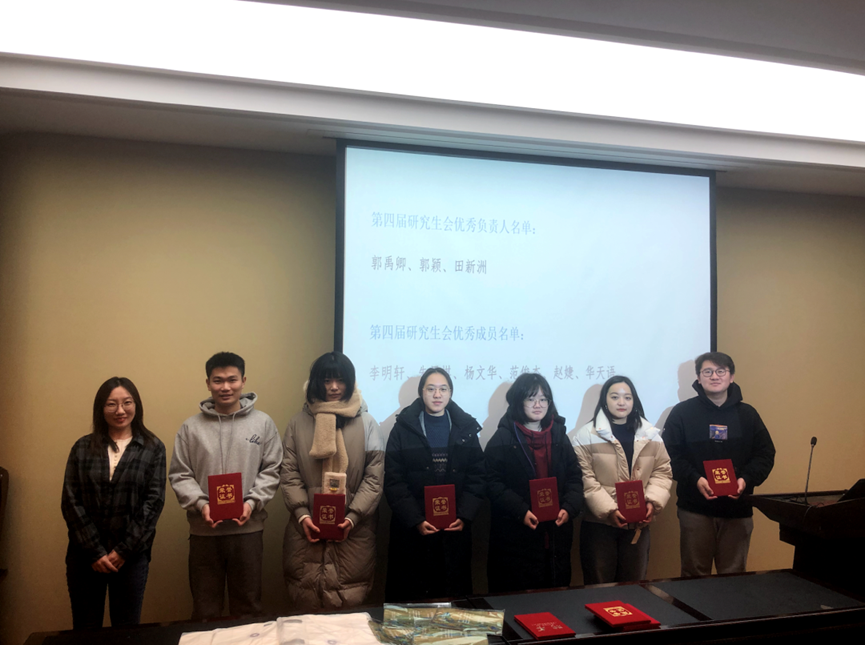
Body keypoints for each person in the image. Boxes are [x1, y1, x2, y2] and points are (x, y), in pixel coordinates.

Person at [168, 352, 282, 619]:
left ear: (244, 381)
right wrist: (202, 505)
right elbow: (180, 474)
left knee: (248, 609)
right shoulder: (190, 428)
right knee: (205, 610)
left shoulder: (263, 423)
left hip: (248, 531)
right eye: (218, 380)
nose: (225, 387)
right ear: (208, 383)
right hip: (204, 532)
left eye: (232, 380)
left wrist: (251, 503)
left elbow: (272, 469)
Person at [280, 351, 384, 612]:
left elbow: (374, 478)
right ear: (316, 382)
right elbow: (289, 473)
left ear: (351, 382)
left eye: (340, 380)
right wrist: (303, 515)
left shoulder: (368, 424)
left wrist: (353, 517)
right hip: (306, 529)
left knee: (348, 610)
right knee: (306, 609)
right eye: (327, 380)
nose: (334, 387)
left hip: (354, 531)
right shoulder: (297, 423)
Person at [62, 377, 166, 629]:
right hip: (85, 557)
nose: (120, 410)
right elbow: (70, 500)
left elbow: (153, 503)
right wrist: (95, 552)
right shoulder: (82, 447)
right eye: (111, 404)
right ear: (101, 408)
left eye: (127, 402)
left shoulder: (152, 447)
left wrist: (123, 551)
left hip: (131, 558)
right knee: (86, 630)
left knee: (126, 630)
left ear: (136, 405)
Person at [663, 351, 775, 577]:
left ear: (731, 377)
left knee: (734, 576)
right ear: (698, 377)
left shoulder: (748, 414)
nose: (714, 376)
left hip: (737, 510)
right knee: (694, 576)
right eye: (708, 371)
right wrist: (695, 479)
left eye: (721, 371)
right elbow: (669, 455)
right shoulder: (682, 413)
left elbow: (765, 454)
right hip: (695, 509)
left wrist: (745, 480)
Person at [384, 367, 485, 601]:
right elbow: (394, 480)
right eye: (431, 389)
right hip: (413, 531)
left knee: (452, 597)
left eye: (443, 389)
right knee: (414, 600)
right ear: (421, 392)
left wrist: (464, 515)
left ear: (450, 393)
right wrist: (416, 520)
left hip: (454, 529)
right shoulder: (403, 428)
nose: (437, 395)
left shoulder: (466, 427)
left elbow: (478, 476)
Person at [484, 373, 583, 593]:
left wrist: (569, 507)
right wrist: (520, 511)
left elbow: (575, 477)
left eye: (543, 399)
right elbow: (492, 483)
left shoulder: (559, 435)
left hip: (556, 536)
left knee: (554, 600)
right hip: (516, 537)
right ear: (518, 401)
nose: (538, 405)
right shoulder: (503, 438)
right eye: (531, 399)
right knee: (520, 602)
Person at [571, 376, 672, 584]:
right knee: (600, 586)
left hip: (638, 524)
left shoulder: (650, 434)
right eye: (615, 397)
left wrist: (652, 501)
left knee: (634, 586)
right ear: (604, 400)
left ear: (634, 401)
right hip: (599, 525)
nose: (621, 402)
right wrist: (609, 510)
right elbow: (585, 478)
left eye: (627, 397)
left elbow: (662, 471)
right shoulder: (586, 435)